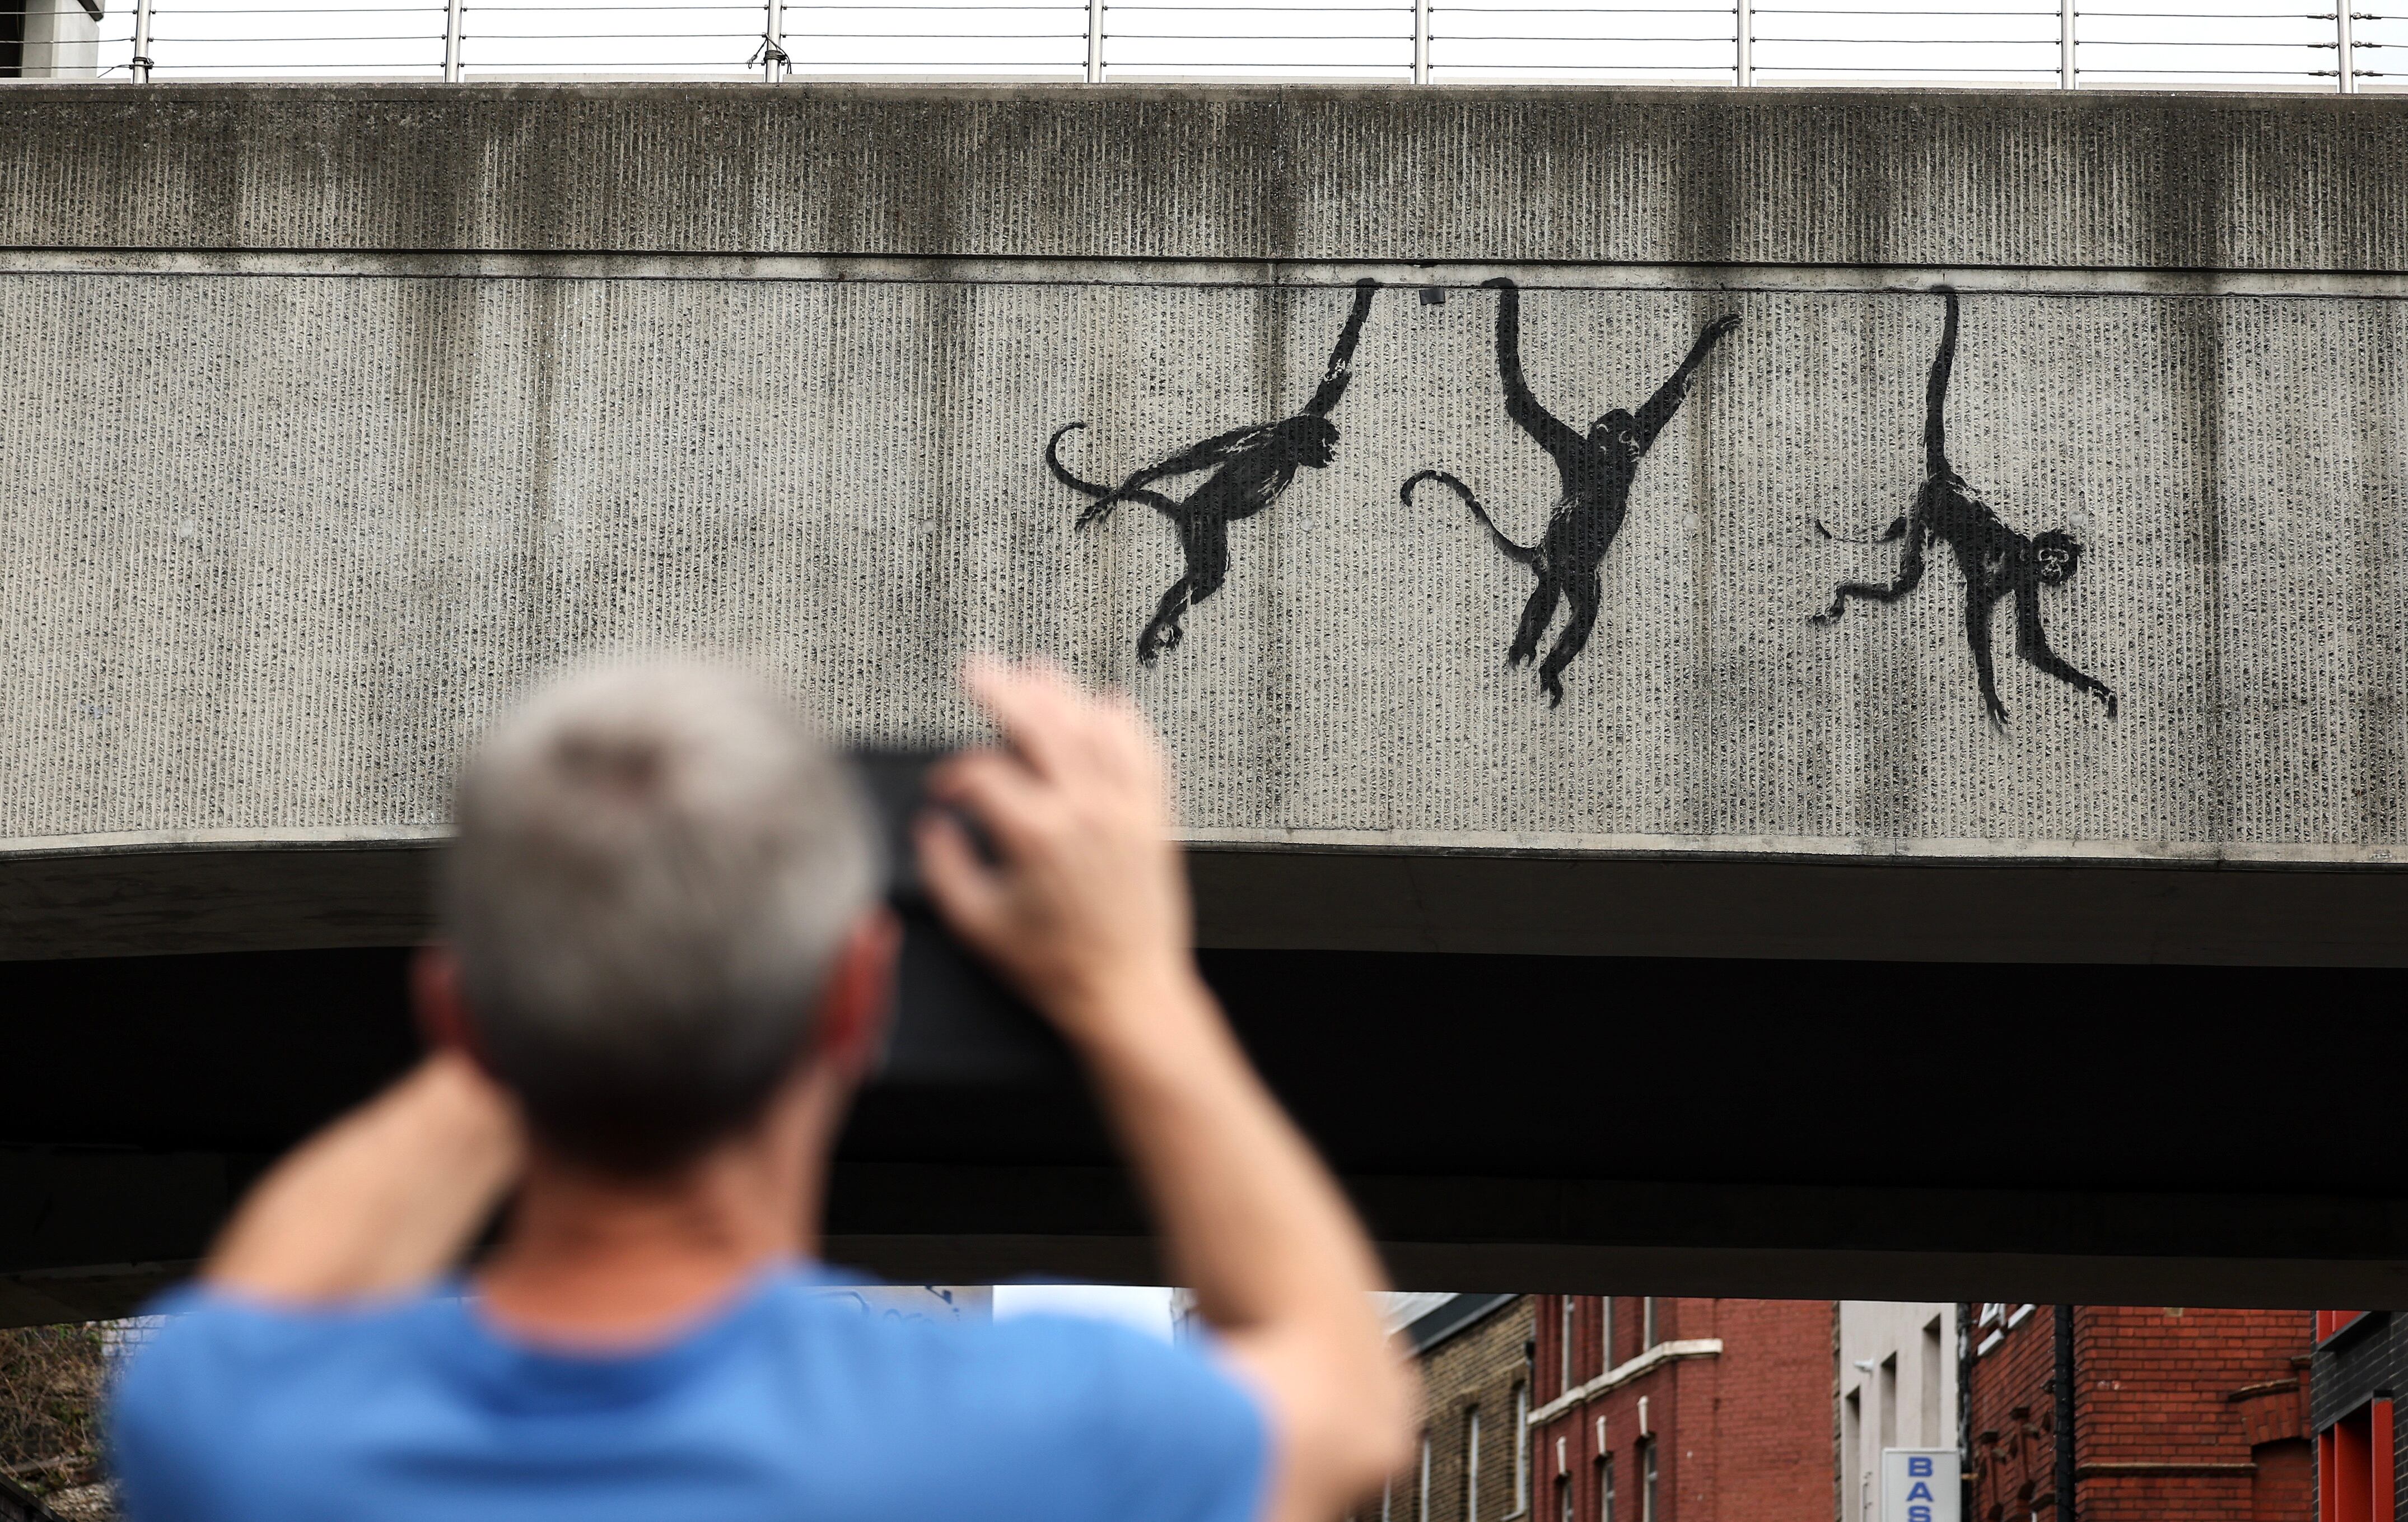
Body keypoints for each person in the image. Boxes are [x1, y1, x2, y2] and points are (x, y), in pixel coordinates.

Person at [109, 657, 1416, 1522]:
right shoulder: (1022, 1435)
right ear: (854, 999)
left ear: (461, 1019)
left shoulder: (231, 1430)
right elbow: (1348, 1402)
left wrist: (572, 966)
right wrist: (1135, 988)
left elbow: (269, 1299)